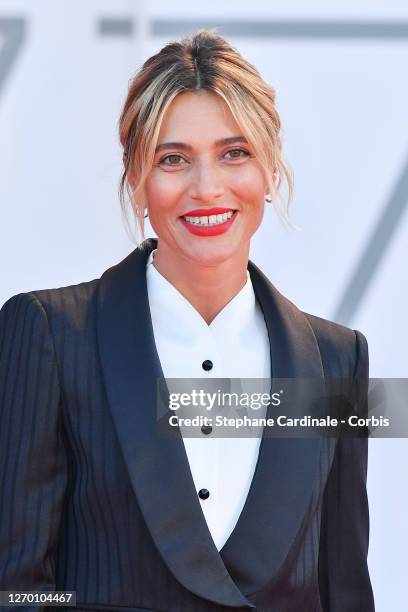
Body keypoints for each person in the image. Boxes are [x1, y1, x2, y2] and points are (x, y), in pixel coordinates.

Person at [0, 30, 374, 611]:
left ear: (270, 171)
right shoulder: (48, 333)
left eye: (235, 153)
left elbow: (345, 589)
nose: (207, 188)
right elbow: (14, 587)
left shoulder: (338, 359)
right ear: (136, 179)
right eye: (173, 159)